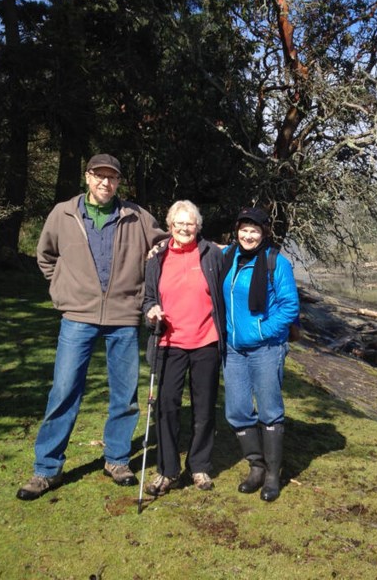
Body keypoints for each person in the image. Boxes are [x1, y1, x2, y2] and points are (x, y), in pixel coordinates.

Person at [17, 154, 169, 501]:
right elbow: (46, 256)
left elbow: (164, 244)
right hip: (77, 317)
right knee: (64, 391)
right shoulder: (63, 213)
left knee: (125, 394)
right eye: (99, 176)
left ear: (119, 182)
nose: (105, 183)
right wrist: (63, 289)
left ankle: (116, 459)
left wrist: (155, 256)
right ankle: (46, 469)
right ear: (87, 177)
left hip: (123, 318)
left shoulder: (137, 216)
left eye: (112, 178)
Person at [140, 200, 225, 496]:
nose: (185, 229)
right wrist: (151, 311)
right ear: (170, 226)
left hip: (206, 341)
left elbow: (228, 286)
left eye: (190, 224)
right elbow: (148, 297)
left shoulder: (213, 253)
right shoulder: (157, 258)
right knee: (166, 406)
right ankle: (167, 470)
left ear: (198, 226)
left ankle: (199, 465)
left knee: (204, 408)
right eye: (179, 223)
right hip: (169, 342)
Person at [222, 207, 300, 502]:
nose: (248, 235)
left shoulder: (275, 262)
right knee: (238, 410)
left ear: (264, 233)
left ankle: (272, 475)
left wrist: (261, 330)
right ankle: (256, 466)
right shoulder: (228, 257)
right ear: (237, 230)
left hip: (266, 347)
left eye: (255, 230)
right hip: (233, 348)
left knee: (269, 409)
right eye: (244, 229)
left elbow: (290, 306)